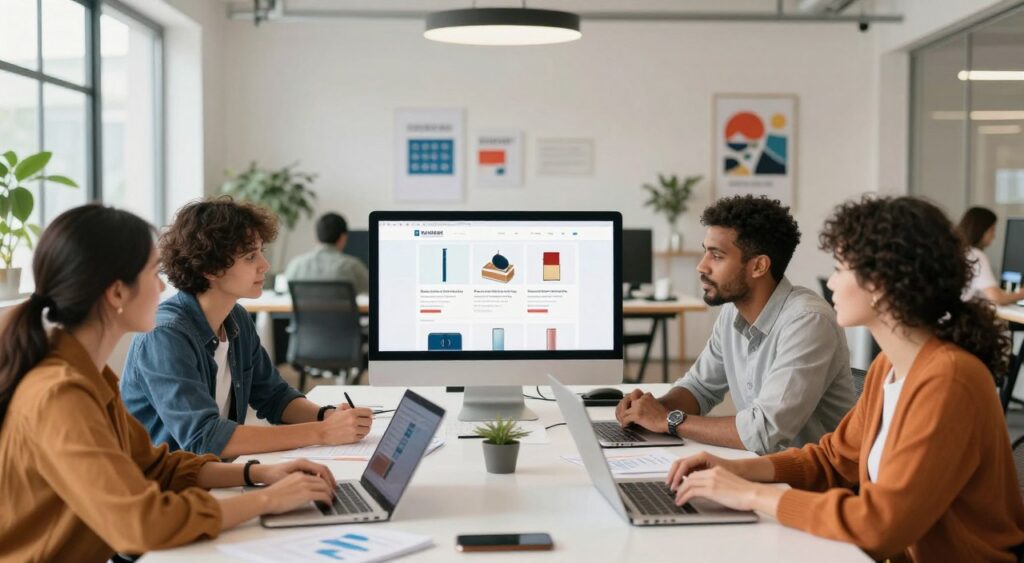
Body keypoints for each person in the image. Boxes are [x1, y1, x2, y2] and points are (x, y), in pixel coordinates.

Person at [666, 196, 1024, 562]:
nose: (832, 282)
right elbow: (831, 460)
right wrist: (735, 469)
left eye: (840, 268)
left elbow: (881, 525)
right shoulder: (890, 367)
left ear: (881, 282)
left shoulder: (950, 379)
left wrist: (751, 494)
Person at [0, 205, 339, 562]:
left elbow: (156, 467)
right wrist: (268, 500)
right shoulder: (59, 394)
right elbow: (141, 523)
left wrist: (260, 473)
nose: (163, 285)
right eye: (153, 273)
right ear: (117, 294)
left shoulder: (88, 374)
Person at [120, 197, 372, 458]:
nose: (265, 265)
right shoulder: (166, 335)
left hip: (211, 474)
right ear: (211, 268)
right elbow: (205, 437)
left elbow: (274, 396)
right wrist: (322, 432)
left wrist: (326, 416)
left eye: (261, 252)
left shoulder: (236, 319)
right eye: (251, 256)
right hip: (162, 490)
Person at [616, 195, 855, 454]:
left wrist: (668, 421)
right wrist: (649, 410)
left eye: (717, 256)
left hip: (812, 486)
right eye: (705, 251)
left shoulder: (808, 321)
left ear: (759, 266)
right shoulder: (732, 314)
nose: (701, 266)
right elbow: (699, 388)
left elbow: (764, 432)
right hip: (763, 470)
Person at [284, 212, 369, 294]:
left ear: (317, 236)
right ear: (343, 237)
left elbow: (287, 294)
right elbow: (373, 292)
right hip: (340, 309)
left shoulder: (295, 264)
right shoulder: (353, 266)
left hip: (307, 309)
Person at [957, 206, 1024, 305]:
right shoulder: (976, 255)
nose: (994, 235)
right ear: (980, 230)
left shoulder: (957, 251)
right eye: (992, 229)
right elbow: (996, 299)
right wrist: (1021, 294)